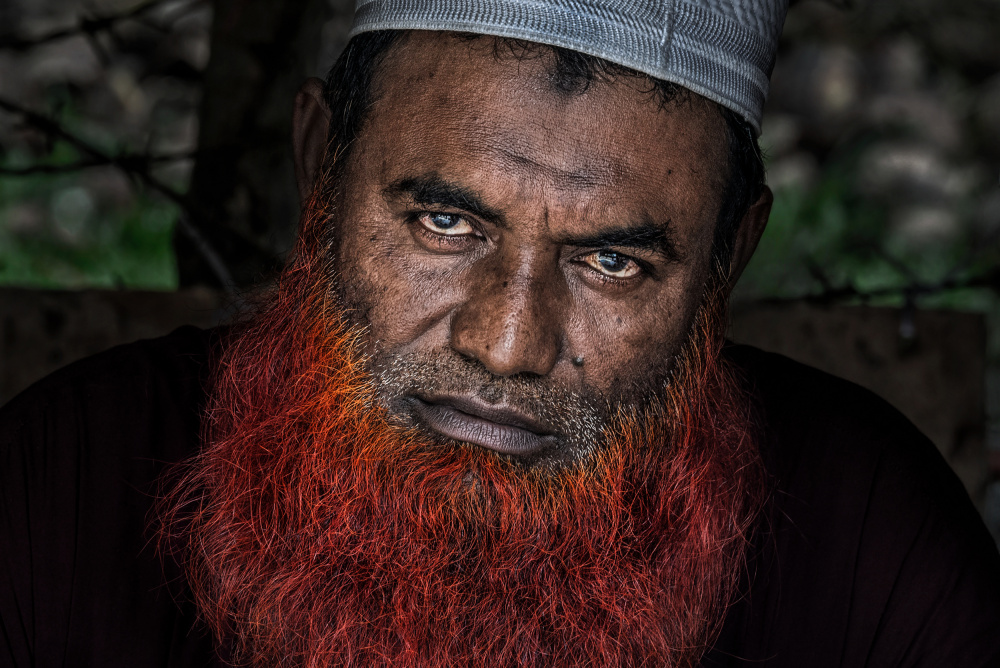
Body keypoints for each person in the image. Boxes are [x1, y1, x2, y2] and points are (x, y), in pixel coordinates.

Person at [2, 1, 999, 666]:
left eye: (612, 260)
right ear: (320, 169)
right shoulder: (55, 493)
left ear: (729, 256)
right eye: (444, 222)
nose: (509, 344)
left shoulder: (873, 544)